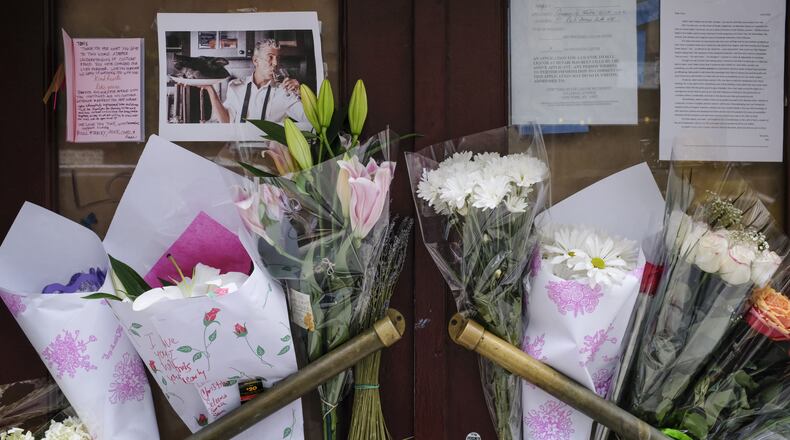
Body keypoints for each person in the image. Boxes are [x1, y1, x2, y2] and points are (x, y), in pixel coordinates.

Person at [202, 39, 310, 129]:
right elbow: (226, 121)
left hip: (270, 153)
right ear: (256, 61)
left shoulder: (284, 92)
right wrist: (210, 89)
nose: (276, 63)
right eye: (270, 57)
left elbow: (311, 120)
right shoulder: (235, 86)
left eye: (278, 59)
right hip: (238, 151)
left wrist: (303, 93)